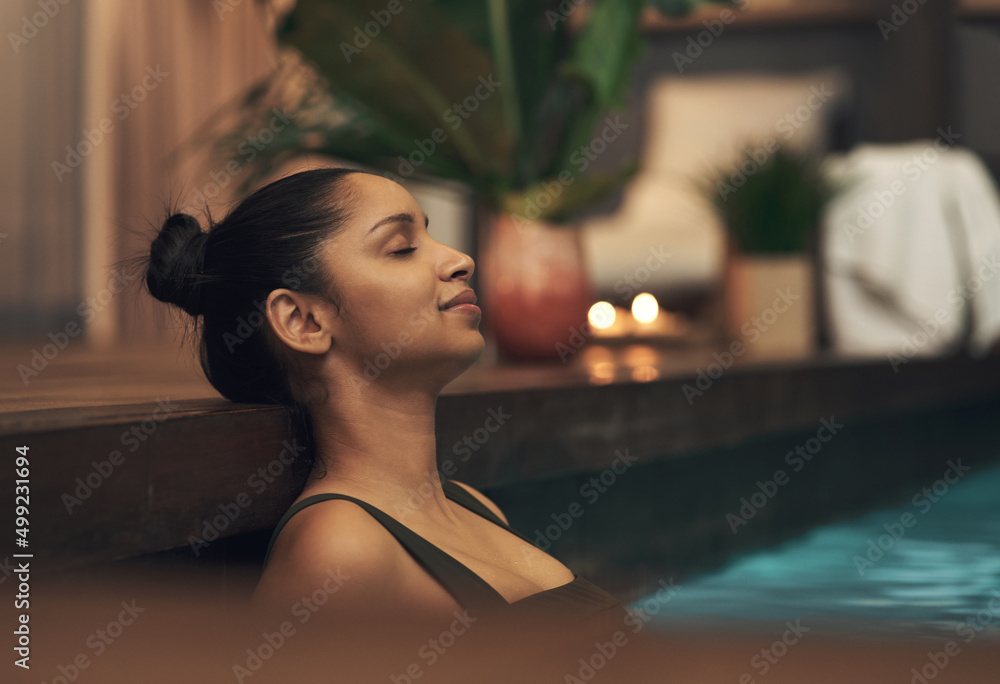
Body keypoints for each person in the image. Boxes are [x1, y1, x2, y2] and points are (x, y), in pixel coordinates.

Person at [142, 167, 625, 633]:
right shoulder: (338, 554)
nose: (460, 259)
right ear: (303, 322)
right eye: (402, 249)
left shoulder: (474, 506)